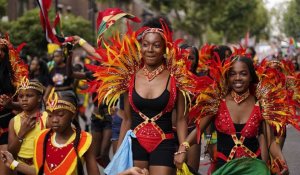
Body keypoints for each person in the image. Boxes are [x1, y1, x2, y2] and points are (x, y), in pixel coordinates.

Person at [73, 17, 197, 174]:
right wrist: (118, 153)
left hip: (164, 143)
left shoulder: (176, 79)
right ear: (141, 48)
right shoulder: (129, 77)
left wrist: (183, 148)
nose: (150, 49)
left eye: (156, 45)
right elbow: (127, 119)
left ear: (165, 49)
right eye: (145, 45)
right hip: (135, 143)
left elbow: (180, 119)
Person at [174, 50, 291, 174]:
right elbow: (198, 130)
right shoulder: (217, 101)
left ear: (251, 76)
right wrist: (183, 148)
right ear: (227, 77)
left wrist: (282, 162)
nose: (238, 78)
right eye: (233, 74)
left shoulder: (261, 102)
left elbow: (271, 142)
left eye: (243, 74)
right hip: (224, 169)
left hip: (255, 169)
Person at [1, 89, 100, 175]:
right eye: (50, 115)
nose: (54, 120)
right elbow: (41, 172)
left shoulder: (84, 140)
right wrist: (13, 163)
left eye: (60, 115)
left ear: (73, 115)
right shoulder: (42, 138)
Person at [0, 37, 28, 175]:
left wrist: (11, 104)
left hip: (6, 126)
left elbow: (27, 105)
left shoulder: (15, 75)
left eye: (2, 50)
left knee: (5, 170)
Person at [8, 78, 47, 173]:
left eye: (29, 95)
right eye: (21, 96)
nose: (24, 99)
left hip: (42, 166)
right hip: (21, 167)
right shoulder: (14, 121)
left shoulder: (47, 118)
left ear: (39, 98)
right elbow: (11, 152)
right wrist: (22, 132)